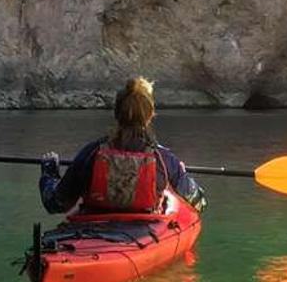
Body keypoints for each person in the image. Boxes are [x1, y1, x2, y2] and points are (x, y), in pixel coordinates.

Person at [40, 76, 205, 215]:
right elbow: (199, 202)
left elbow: (55, 204)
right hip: (145, 232)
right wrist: (181, 173)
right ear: (150, 116)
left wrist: (49, 172)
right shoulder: (164, 158)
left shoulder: (91, 153)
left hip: (93, 229)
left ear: (116, 113)